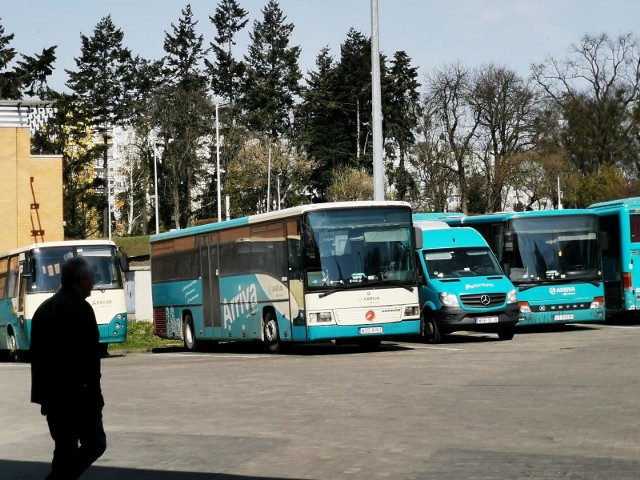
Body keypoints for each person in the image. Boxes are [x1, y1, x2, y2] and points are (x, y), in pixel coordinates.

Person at [30, 256, 107, 480]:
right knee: (95, 443)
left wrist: (43, 397)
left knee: (64, 448)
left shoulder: (44, 309)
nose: (94, 282)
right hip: (78, 396)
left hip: (52, 398)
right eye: (92, 278)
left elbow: (37, 358)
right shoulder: (80, 309)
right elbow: (89, 359)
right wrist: (94, 394)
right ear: (81, 279)